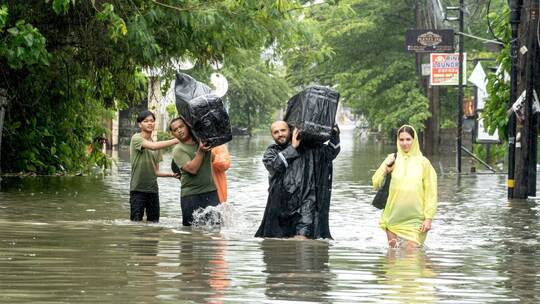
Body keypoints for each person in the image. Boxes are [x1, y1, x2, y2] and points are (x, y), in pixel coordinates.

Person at [255, 120, 340, 239]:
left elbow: (331, 153)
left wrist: (335, 134)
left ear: (290, 130)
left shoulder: (310, 149)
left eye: (283, 130)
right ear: (272, 135)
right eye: (276, 132)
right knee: (279, 241)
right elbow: (274, 166)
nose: (280, 134)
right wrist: (293, 147)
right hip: (281, 207)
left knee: (302, 240)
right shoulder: (272, 152)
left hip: (306, 204)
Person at [372, 125, 437, 250]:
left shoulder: (424, 163)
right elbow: (375, 183)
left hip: (416, 220)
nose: (404, 143)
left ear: (414, 140)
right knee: (392, 259)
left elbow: (431, 192)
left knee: (411, 258)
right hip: (392, 218)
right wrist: (386, 170)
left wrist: (428, 218)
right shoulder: (392, 158)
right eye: (401, 140)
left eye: (408, 139)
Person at [129, 110, 179, 222]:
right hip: (138, 189)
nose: (150, 123)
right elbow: (153, 147)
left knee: (154, 224)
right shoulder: (136, 138)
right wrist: (176, 140)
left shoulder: (156, 144)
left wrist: (171, 175)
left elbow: (156, 171)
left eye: (152, 121)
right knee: (136, 223)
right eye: (146, 121)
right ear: (139, 124)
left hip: (153, 190)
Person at [169, 117, 219, 226]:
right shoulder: (178, 150)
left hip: (211, 192)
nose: (179, 130)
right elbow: (192, 169)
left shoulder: (201, 142)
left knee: (215, 230)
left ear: (188, 126)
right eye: (175, 129)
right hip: (191, 196)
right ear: (173, 134)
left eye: (181, 126)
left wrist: (207, 145)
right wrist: (200, 151)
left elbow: (213, 158)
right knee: (190, 233)